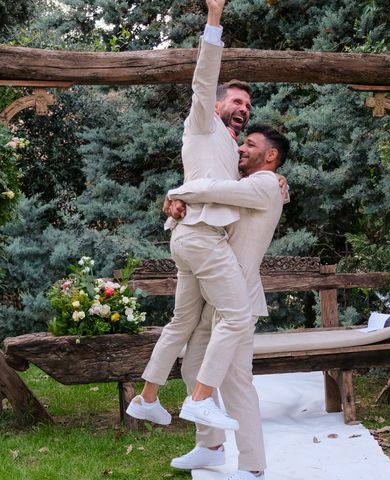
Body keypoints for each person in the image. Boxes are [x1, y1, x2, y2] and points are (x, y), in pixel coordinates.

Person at [126, 0, 257, 431]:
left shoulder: (224, 145)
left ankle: (146, 398)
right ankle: (200, 399)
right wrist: (214, 20)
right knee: (237, 317)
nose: (243, 109)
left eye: (248, 107)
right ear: (217, 104)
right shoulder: (203, 120)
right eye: (237, 101)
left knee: (182, 322)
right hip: (200, 237)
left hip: (187, 237)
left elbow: (208, 180)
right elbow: (204, 79)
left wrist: (176, 194)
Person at [166, 124, 290, 480]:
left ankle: (252, 467)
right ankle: (211, 447)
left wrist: (176, 191)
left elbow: (211, 189)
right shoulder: (251, 184)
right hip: (215, 296)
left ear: (270, 156)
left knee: (236, 383)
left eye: (250, 145)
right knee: (192, 367)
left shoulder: (265, 183)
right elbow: (209, 197)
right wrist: (173, 201)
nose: (240, 149)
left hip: (240, 299)